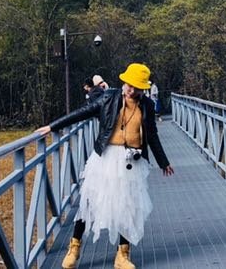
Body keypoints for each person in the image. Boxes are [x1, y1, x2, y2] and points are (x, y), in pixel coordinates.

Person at [35, 63, 174, 269]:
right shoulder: (110, 97)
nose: (131, 90)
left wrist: (163, 162)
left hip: (131, 162)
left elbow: (152, 136)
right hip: (106, 157)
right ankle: (74, 248)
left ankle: (122, 256)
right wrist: (53, 126)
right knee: (90, 201)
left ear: (143, 88)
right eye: (129, 85)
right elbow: (83, 112)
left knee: (129, 206)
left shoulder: (146, 105)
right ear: (124, 82)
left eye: (136, 88)